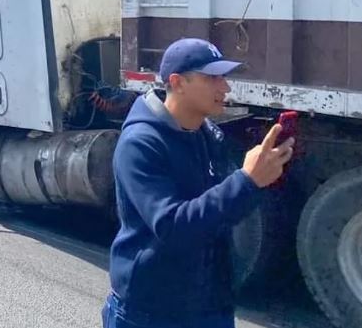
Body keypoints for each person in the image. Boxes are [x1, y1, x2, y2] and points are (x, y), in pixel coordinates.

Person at [104, 38, 295, 328]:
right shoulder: (140, 144)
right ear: (178, 82)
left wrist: (261, 178)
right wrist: (246, 181)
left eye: (224, 77)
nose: (225, 87)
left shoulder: (208, 136)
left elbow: (219, 214)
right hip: (151, 312)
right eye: (212, 77)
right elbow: (173, 226)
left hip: (210, 306)